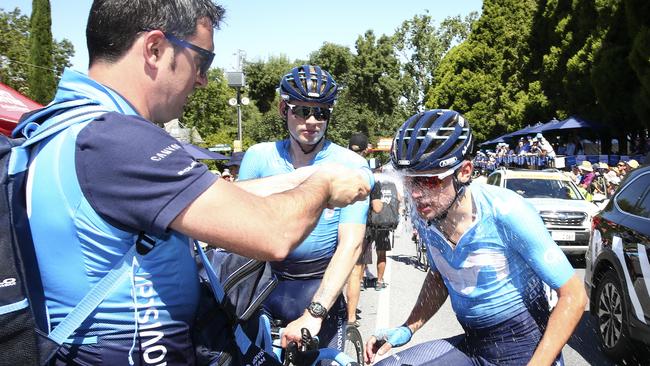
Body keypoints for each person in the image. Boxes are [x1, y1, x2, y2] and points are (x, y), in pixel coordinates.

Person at [18, 2, 371, 365]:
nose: (202, 79)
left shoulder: (64, 125)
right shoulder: (118, 140)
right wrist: (325, 184)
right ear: (155, 49)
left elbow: (211, 198)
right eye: (202, 61)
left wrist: (301, 177)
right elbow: (272, 234)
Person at [365, 110, 587, 366]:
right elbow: (440, 277)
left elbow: (574, 295)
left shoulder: (506, 211)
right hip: (474, 344)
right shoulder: (429, 215)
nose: (416, 194)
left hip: (524, 348)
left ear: (465, 171)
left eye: (428, 181)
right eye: (409, 182)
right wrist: (407, 328)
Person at [237, 65, 373, 353]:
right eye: (301, 110)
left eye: (321, 113)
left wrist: (315, 313)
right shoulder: (258, 156)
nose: (312, 120)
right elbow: (236, 218)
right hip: (264, 284)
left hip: (317, 287)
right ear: (283, 108)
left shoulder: (350, 165)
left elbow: (351, 244)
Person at [345, 132, 374, 328]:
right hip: (358, 227)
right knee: (355, 273)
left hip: (332, 226)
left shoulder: (336, 167)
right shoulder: (367, 173)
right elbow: (378, 207)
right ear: (365, 151)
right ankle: (351, 317)